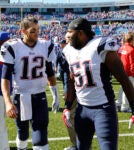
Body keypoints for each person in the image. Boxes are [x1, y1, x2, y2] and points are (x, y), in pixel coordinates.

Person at [62, 17, 134, 150]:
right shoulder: (68, 50)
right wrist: (67, 106)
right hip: (82, 109)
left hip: (103, 109)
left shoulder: (100, 46)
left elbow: (123, 79)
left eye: (70, 32)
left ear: (81, 33)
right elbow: (72, 80)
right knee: (81, 147)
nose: (67, 35)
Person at [0, 16, 57, 150]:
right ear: (23, 31)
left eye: (38, 30)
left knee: (40, 134)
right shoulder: (12, 47)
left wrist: (55, 94)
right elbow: (5, 78)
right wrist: (8, 102)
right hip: (21, 96)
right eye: (32, 31)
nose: (36, 34)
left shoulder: (45, 45)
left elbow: (50, 72)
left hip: (40, 96)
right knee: (23, 133)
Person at [57, 37, 77, 150]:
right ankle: (76, 144)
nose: (67, 39)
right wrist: (68, 103)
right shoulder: (67, 50)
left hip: (92, 93)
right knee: (69, 117)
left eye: (70, 36)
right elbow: (71, 78)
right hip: (76, 88)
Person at [116, 32, 134, 112]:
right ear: (132, 40)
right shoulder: (131, 49)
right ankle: (125, 106)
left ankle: (118, 103)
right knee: (128, 89)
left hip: (121, 72)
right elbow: (132, 63)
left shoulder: (121, 48)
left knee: (123, 88)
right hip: (129, 73)